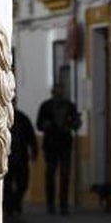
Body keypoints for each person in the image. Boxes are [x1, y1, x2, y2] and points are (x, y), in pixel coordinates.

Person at [35, 85, 81, 214]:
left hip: (64, 143)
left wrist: (73, 124)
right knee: (51, 174)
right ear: (53, 93)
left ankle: (63, 204)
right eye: (57, 91)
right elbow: (39, 124)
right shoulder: (46, 106)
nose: (59, 94)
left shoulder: (69, 106)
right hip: (51, 144)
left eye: (61, 91)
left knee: (64, 175)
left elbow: (76, 122)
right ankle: (51, 204)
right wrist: (46, 125)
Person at [5, 100, 38, 215]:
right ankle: (10, 206)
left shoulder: (22, 118)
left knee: (23, 183)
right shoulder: (1, 118)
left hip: (21, 156)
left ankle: (15, 202)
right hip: (6, 158)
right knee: (7, 184)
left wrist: (34, 151)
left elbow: (31, 136)